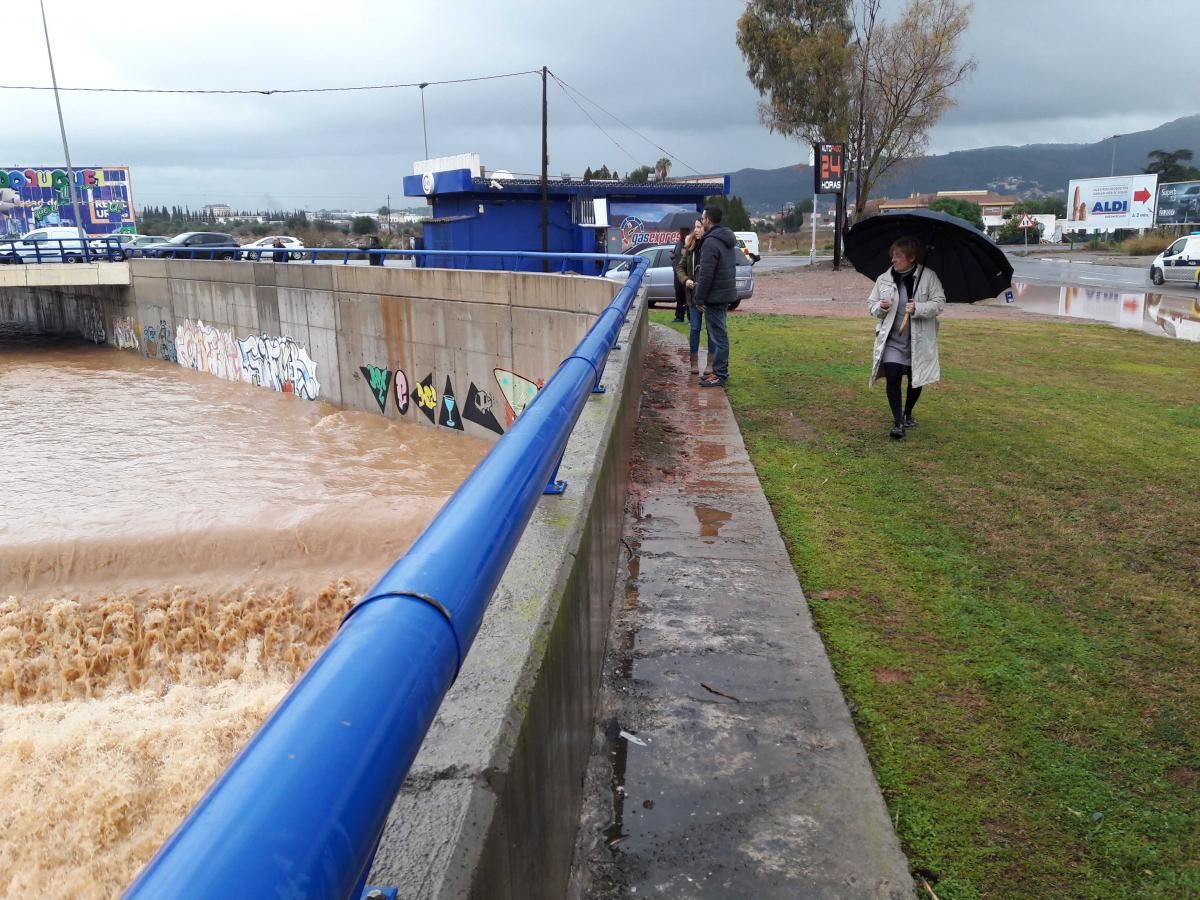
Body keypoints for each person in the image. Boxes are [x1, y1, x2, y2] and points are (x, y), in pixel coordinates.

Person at [867, 236, 945, 439]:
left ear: (911, 258)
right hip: (893, 340)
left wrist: (918, 307)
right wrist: (881, 308)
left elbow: (939, 303)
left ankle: (908, 412)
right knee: (892, 374)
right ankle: (898, 423)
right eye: (893, 255)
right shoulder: (884, 279)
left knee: (915, 380)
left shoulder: (928, 277)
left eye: (898, 256)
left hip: (918, 341)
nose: (893, 260)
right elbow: (871, 305)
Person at [688, 206, 737, 387]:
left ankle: (720, 374)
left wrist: (699, 299)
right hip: (724, 294)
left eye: (703, 218)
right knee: (720, 334)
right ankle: (718, 372)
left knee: (719, 337)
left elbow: (706, 274)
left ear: (708, 220)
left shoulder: (710, 242)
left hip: (715, 296)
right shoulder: (725, 238)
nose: (701, 221)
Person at [675, 218, 707, 375]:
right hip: (693, 296)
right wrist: (685, 279)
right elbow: (680, 268)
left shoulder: (710, 246)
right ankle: (693, 361)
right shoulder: (690, 248)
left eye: (699, 227)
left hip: (709, 297)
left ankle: (711, 364)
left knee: (712, 330)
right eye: (695, 227)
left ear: (705, 228)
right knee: (695, 328)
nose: (696, 230)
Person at [669, 227, 689, 323]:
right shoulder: (679, 243)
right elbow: (677, 256)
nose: (680, 233)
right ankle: (679, 317)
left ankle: (690, 317)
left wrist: (686, 252)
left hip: (685, 275)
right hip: (676, 273)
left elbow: (688, 259)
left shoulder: (689, 244)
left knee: (687, 296)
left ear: (686, 232)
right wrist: (673, 255)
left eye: (682, 232)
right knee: (679, 296)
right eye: (679, 231)